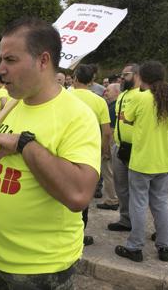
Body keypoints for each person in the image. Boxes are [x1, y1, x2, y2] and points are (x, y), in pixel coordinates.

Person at [0, 18, 100, 289]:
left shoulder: (76, 116)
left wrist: (24, 144)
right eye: (1, 59)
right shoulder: (15, 104)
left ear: (43, 61)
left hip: (42, 269)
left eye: (11, 60)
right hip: (1, 258)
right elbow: (2, 167)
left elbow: (78, 194)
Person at [114, 61, 168, 263]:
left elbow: (126, 118)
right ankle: (164, 246)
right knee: (161, 203)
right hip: (164, 161)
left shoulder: (141, 99)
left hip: (141, 161)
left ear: (142, 77)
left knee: (138, 203)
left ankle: (135, 247)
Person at [71, 64, 111, 246]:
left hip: (64, 150)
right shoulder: (99, 101)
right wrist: (103, 151)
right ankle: (79, 235)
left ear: (75, 78)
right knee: (83, 195)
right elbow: (107, 132)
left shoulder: (64, 96)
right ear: (92, 81)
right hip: (89, 154)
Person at [108, 63, 141, 232]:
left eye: (125, 74)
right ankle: (126, 219)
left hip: (137, 148)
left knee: (141, 190)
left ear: (136, 75)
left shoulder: (143, 94)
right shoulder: (123, 94)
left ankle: (160, 224)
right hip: (120, 146)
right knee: (121, 187)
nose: (121, 78)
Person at [97, 82, 120, 211]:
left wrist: (105, 148)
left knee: (107, 171)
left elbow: (109, 131)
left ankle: (112, 199)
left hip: (110, 142)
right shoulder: (116, 104)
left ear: (117, 92)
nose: (105, 92)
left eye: (108, 90)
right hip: (115, 142)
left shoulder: (112, 107)